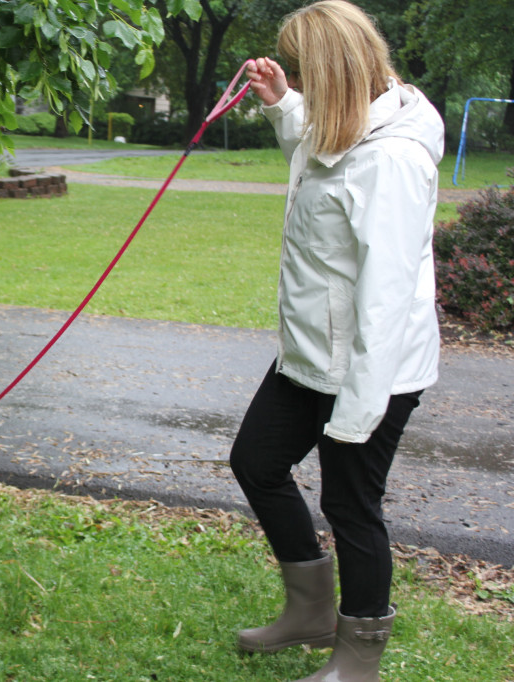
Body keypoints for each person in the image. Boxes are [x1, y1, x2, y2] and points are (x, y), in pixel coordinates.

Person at [230, 2, 444, 680]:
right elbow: (324, 157)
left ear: (334, 71)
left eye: (304, 74)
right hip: (311, 355)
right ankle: (310, 613)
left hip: (369, 369)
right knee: (257, 463)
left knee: (351, 505)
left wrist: (357, 413)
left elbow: (387, 297)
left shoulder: (396, 161)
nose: (302, 83)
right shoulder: (348, 124)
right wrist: (283, 104)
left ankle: (359, 655)